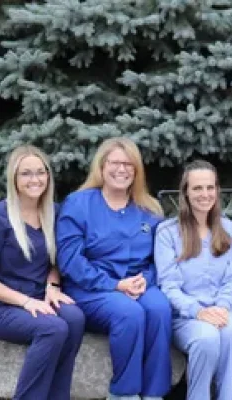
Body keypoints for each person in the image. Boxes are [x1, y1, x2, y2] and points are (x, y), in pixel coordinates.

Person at [55, 137, 172, 400]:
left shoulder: (149, 209)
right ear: (102, 166)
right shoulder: (78, 203)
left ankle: (154, 393)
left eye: (129, 164)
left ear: (137, 170)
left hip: (140, 284)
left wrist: (145, 280)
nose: (122, 169)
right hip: (91, 289)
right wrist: (115, 285)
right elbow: (70, 260)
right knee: (128, 313)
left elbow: (159, 259)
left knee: (160, 308)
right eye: (115, 163)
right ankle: (124, 393)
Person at [0, 145, 85, 400]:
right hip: (6, 304)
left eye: (40, 172)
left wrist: (53, 286)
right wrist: (26, 302)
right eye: (26, 173)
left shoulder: (54, 212)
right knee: (52, 329)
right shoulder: (1, 216)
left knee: (75, 318)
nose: (35, 179)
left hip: (40, 295)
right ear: (14, 178)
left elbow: (57, 260)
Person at [155, 160, 232, 400]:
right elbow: (169, 286)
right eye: (197, 188)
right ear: (185, 192)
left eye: (210, 187)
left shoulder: (229, 229)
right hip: (186, 317)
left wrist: (222, 308)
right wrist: (197, 311)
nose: (205, 194)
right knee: (206, 338)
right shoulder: (167, 233)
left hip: (225, 311)